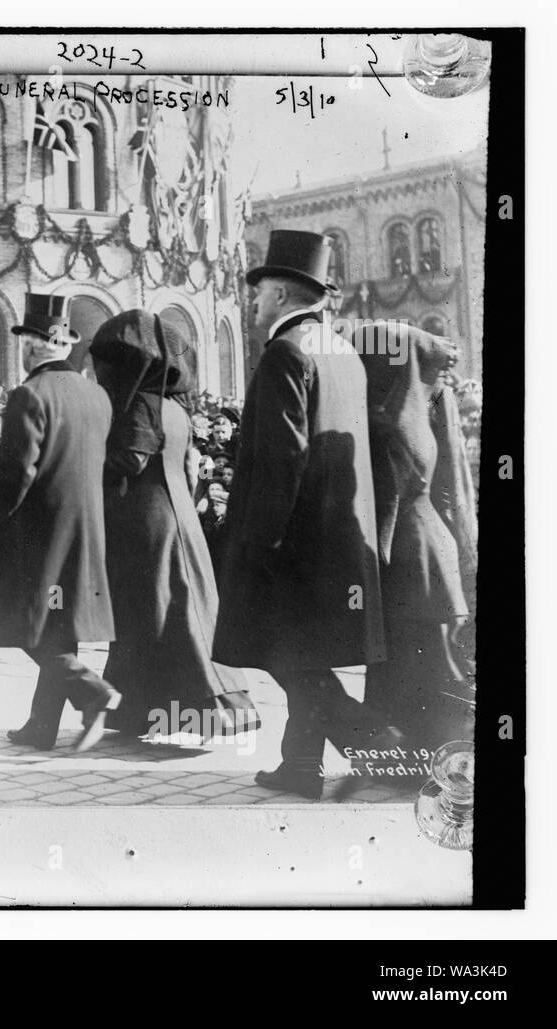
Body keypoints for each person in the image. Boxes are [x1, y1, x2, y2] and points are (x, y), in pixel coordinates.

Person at [212, 230, 391, 800]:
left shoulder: (286, 353)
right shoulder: (342, 353)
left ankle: (386, 748)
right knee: (303, 656)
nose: (255, 301)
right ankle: (299, 766)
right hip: (338, 541)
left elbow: (280, 461)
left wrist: (257, 545)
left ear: (285, 294)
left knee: (290, 660)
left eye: (260, 291)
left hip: (291, 546)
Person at [90, 310, 260, 742]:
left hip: (148, 517)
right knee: (171, 610)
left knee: (164, 612)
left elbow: (131, 458)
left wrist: (84, 460)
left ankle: (194, 715)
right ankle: (153, 712)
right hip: (175, 514)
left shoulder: (142, 402)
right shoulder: (174, 405)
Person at [0, 292, 120, 752]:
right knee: (59, 627)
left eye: (24, 340)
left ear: (33, 345)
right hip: (87, 528)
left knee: (25, 623)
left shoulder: (29, 394)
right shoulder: (97, 395)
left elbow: (18, 473)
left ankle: (93, 691)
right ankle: (42, 726)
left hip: (38, 532)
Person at [356, 321, 473, 755]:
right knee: (425, 658)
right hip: (428, 546)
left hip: (407, 551)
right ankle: (425, 753)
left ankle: (433, 757)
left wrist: (373, 560)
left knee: (416, 659)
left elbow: (386, 502)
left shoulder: (388, 425)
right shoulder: (417, 413)